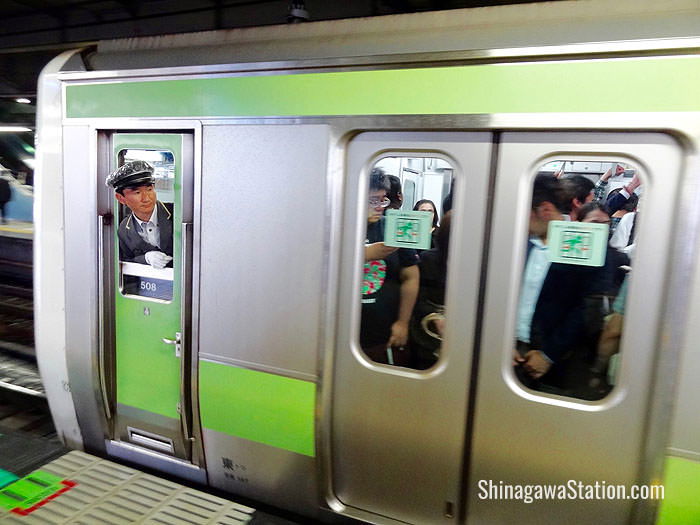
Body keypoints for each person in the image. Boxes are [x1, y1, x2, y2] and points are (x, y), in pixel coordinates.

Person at [361, 168, 419, 366]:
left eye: (383, 200)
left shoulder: (393, 228)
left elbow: (411, 276)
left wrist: (403, 322)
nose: (380, 207)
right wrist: (365, 254)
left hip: (383, 332)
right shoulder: (336, 227)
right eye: (372, 201)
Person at [105, 160, 173, 269]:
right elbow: (126, 261)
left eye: (149, 189)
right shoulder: (124, 230)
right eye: (137, 193)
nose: (146, 198)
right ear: (121, 198)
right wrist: (146, 258)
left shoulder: (176, 214)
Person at [409, 211, 451, 370]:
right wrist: (435, 317)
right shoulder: (428, 259)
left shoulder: (478, 264)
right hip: (429, 334)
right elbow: (418, 297)